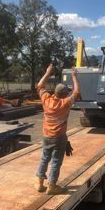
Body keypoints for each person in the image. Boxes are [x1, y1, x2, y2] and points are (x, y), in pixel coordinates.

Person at [35, 64, 80, 195]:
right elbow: (77, 92)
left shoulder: (46, 100)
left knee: (44, 158)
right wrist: (74, 77)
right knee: (56, 161)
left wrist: (48, 73)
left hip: (46, 136)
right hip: (59, 137)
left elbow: (39, 86)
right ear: (64, 94)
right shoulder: (65, 103)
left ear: (55, 92)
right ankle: (52, 186)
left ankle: (39, 183)